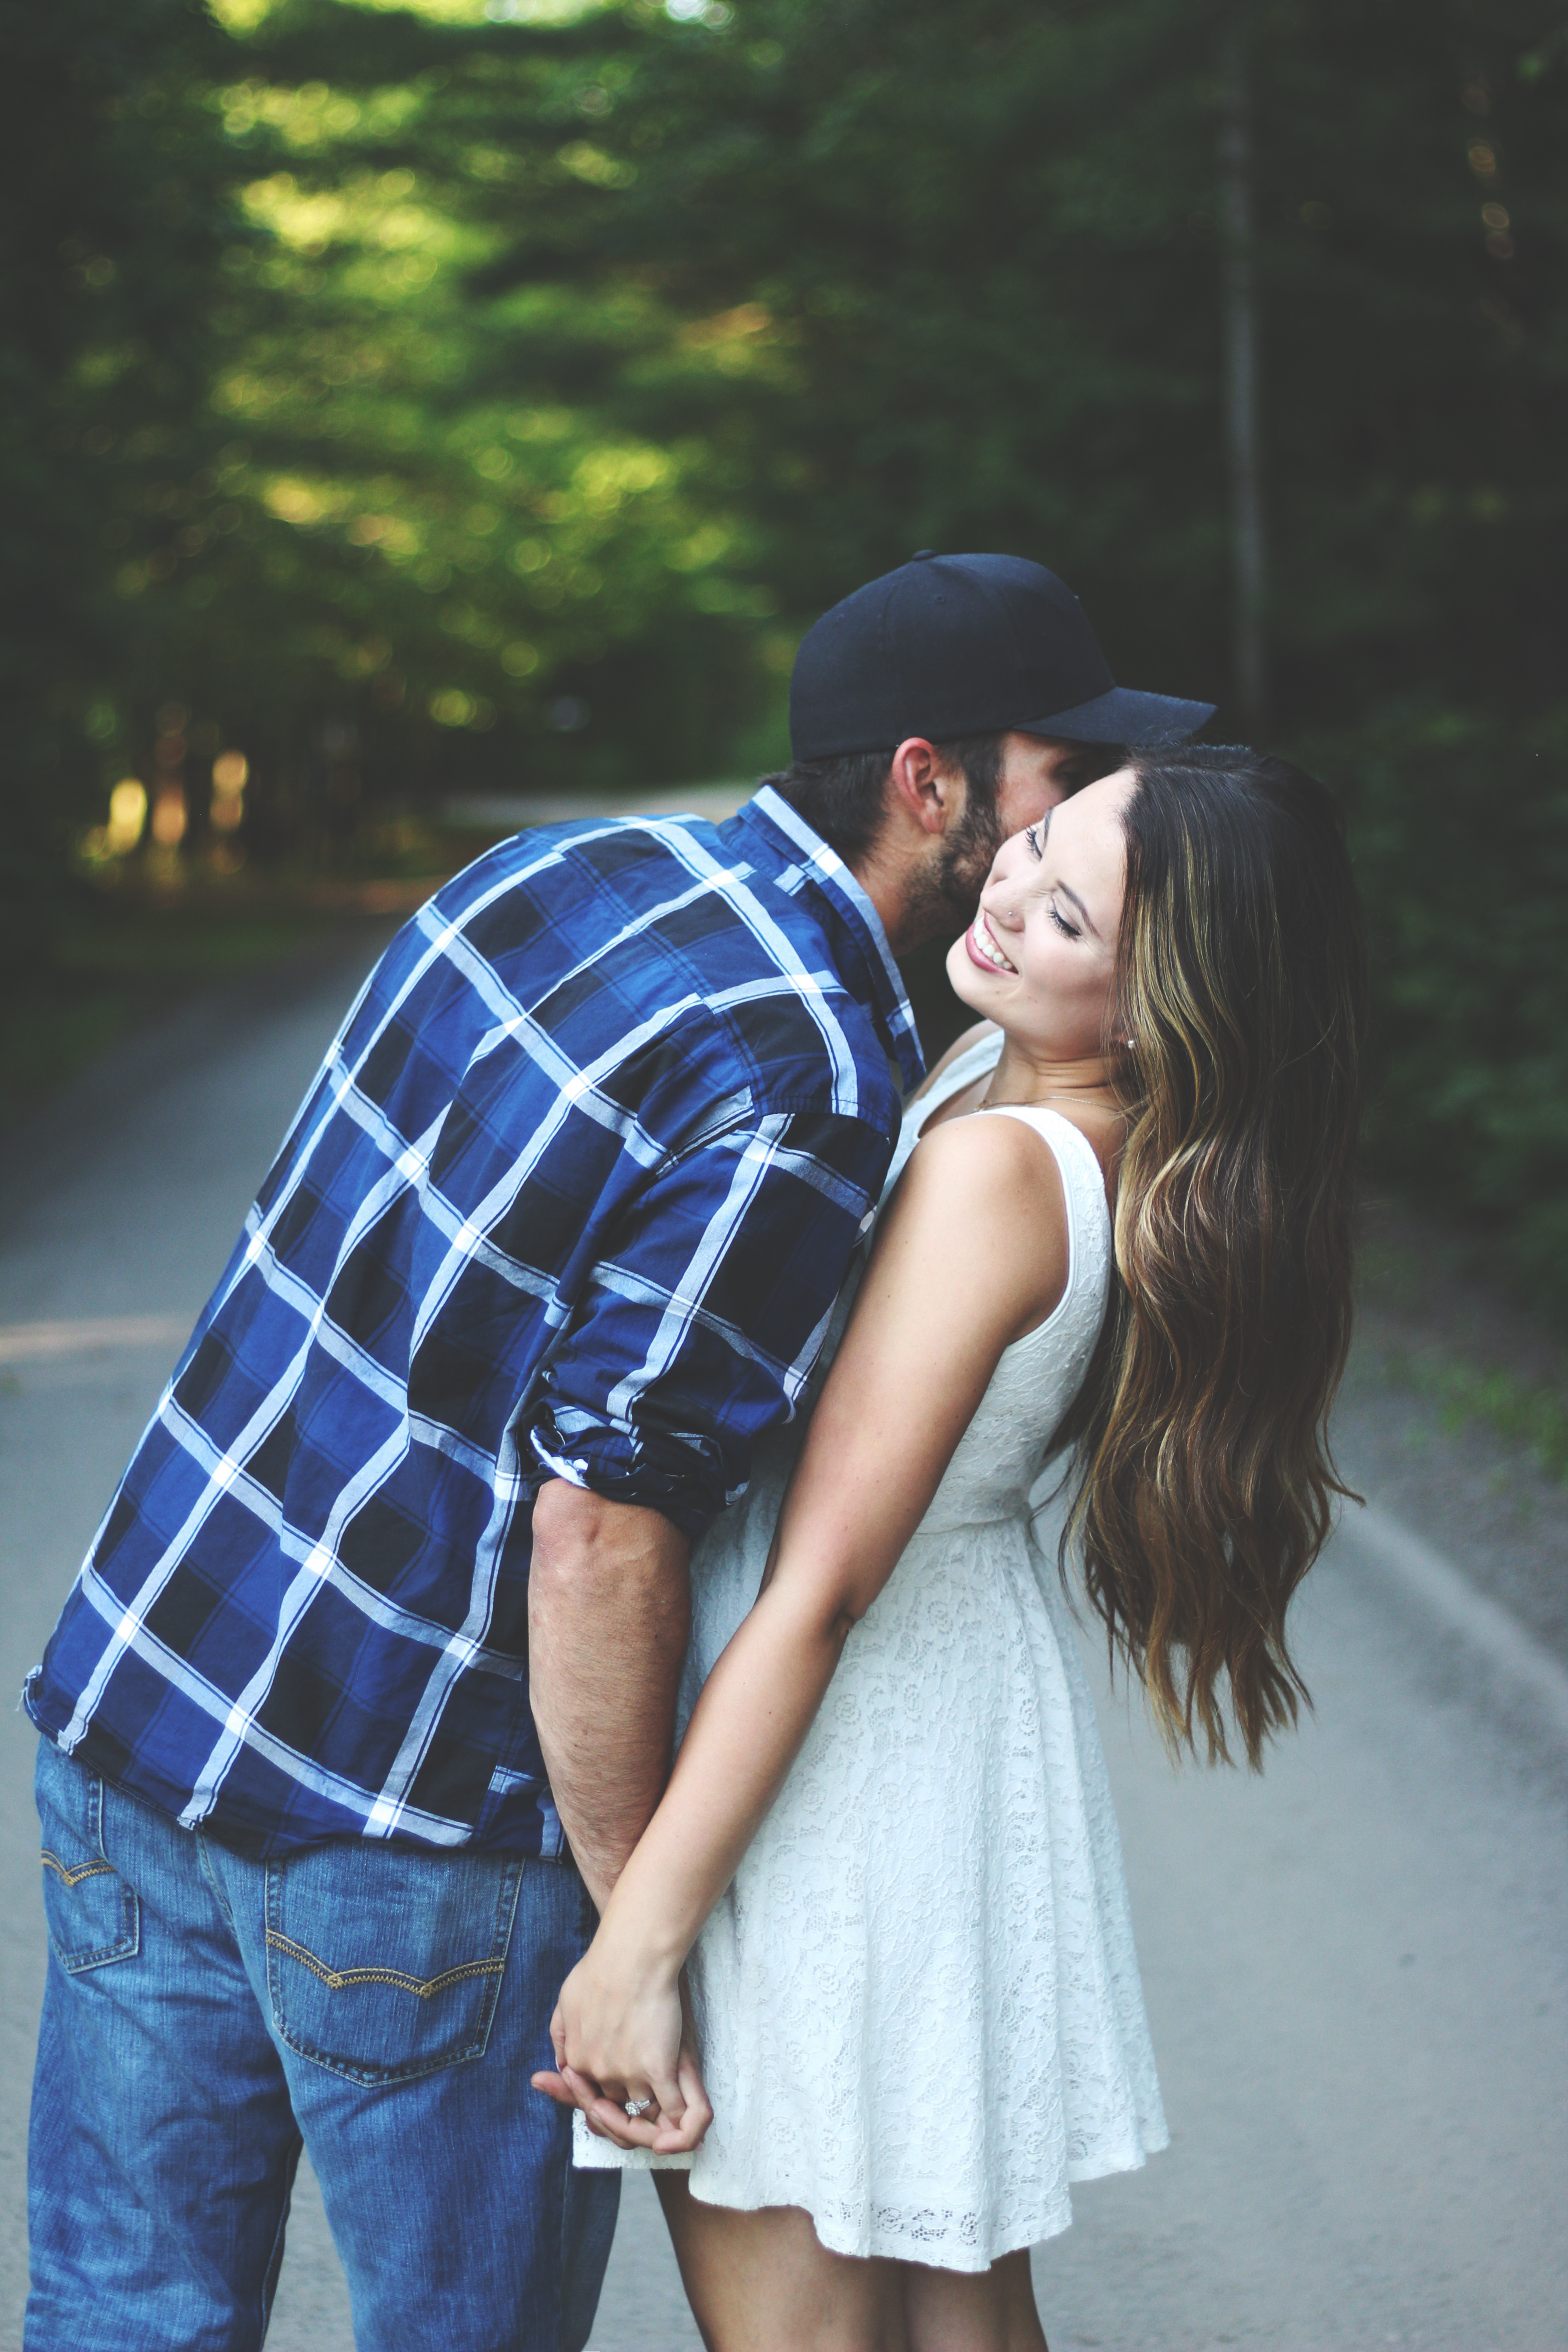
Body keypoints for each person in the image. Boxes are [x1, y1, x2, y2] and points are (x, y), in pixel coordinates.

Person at [21, 554, 1211, 2352]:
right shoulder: (806, 1068)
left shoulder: (570, 865)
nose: (1080, 825)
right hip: (410, 1831)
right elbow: (602, 1527)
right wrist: (639, 1923)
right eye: (1059, 777)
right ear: (930, 782)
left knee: (120, 2315)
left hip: (141, 1709)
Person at [537, 745, 1369, 2352]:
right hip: (934, 1726)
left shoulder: (1002, 1167)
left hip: (841, 1759)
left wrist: (635, 1945)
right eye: (1040, 839)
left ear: (1151, 1010)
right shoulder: (1029, 1098)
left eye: (1066, 916)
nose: (1003, 891)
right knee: (959, 2315)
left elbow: (824, 1584)